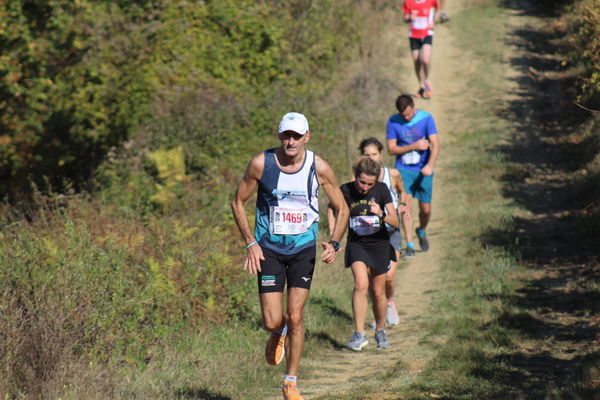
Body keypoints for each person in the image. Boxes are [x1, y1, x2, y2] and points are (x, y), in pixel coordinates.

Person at [231, 112, 349, 400]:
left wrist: (334, 242)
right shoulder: (262, 163)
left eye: (297, 135)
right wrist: (250, 242)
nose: (291, 140)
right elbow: (237, 201)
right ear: (279, 135)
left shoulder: (318, 167)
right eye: (287, 135)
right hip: (268, 249)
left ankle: (290, 381)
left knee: (296, 315)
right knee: (272, 320)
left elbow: (342, 207)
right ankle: (277, 332)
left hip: (303, 249)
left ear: (307, 137)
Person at [328, 158, 399, 351]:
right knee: (360, 284)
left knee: (378, 292)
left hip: (380, 244)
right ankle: (359, 334)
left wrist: (381, 214)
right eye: (362, 182)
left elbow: (395, 221)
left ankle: (380, 331)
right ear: (356, 177)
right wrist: (333, 235)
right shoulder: (345, 190)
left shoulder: (382, 189)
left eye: (370, 184)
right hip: (357, 244)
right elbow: (332, 208)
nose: (365, 187)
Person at [357, 138, 408, 327]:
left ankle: (390, 302)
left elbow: (403, 191)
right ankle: (378, 311)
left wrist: (402, 205)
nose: (371, 158)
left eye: (374, 154)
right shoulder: (359, 179)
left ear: (381, 155)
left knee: (388, 276)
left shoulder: (392, 174)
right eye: (366, 154)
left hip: (390, 230)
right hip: (368, 233)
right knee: (373, 278)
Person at [386, 94, 440, 258]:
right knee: (406, 206)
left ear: (413, 106)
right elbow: (391, 149)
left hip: (423, 170)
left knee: (425, 209)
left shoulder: (426, 118)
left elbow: (436, 144)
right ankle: (409, 245)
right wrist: (414, 145)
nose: (407, 117)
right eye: (404, 115)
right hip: (403, 170)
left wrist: (430, 165)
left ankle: (421, 230)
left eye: (409, 114)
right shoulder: (394, 121)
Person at [402, 0, 441, 99]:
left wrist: (434, 22)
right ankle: (421, 85)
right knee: (416, 61)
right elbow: (405, 18)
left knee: (425, 60)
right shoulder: (408, 2)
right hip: (413, 35)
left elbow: (438, 9)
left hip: (427, 33)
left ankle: (427, 80)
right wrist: (410, 18)